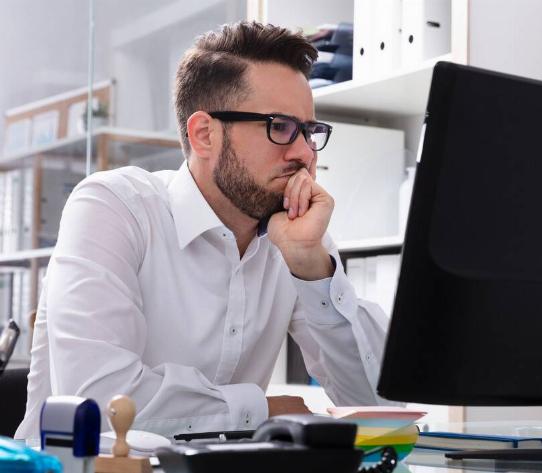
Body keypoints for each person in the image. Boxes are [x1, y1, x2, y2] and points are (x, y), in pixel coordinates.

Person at [15, 21, 393, 440]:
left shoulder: (297, 238)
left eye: (309, 131)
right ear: (204, 134)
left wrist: (314, 271)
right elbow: (100, 404)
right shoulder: (113, 206)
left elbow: (381, 408)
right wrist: (259, 410)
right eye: (280, 127)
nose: (304, 152)